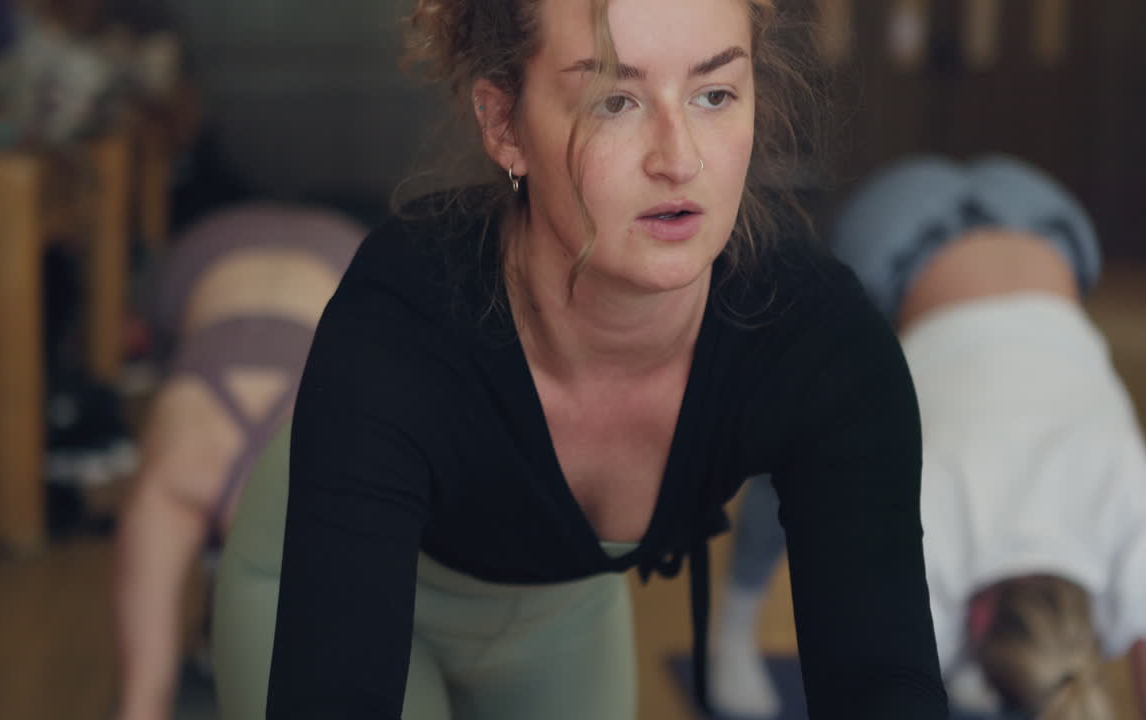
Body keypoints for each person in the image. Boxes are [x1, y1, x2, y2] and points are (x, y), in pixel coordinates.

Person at [214, 0, 950, 718]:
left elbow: (881, 679)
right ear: (505, 125)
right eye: (613, 101)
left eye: (715, 94)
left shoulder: (818, 338)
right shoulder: (405, 319)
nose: (679, 158)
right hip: (326, 577)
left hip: (561, 607)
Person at [710, 155, 1146, 720]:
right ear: (981, 620)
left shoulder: (1129, 500)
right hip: (896, 242)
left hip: (1047, 216)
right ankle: (732, 630)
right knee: (797, 432)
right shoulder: (930, 525)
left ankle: (969, 669)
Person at [112, 204, 364, 720]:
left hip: (198, 421)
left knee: (143, 699)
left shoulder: (182, 256)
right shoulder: (362, 252)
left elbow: (158, 362)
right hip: (306, 416)